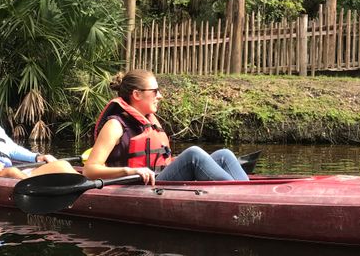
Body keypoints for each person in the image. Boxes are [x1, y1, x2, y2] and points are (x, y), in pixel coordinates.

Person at [82, 69, 249, 185]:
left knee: (224, 155)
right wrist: (129, 171)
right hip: (137, 185)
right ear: (137, 94)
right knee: (193, 155)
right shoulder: (115, 125)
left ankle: (248, 194)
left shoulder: (148, 121)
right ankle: (239, 197)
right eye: (155, 91)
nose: (160, 96)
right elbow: (89, 171)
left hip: (159, 176)